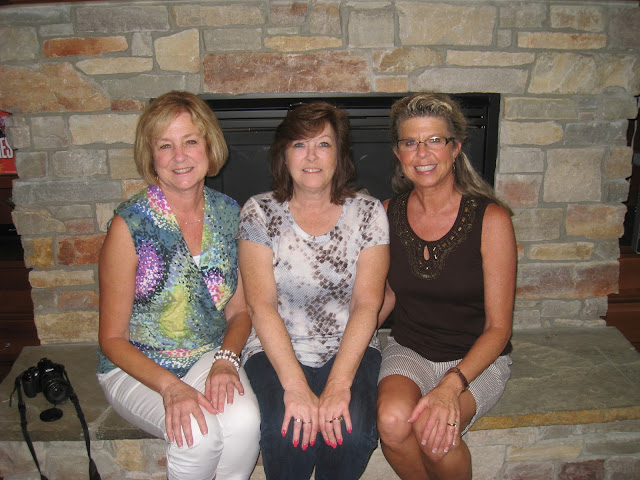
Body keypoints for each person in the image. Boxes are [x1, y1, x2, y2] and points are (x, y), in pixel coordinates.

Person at [96, 91, 260, 480]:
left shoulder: (229, 213)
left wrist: (226, 359)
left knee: (245, 424)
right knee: (197, 436)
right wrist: (171, 388)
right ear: (151, 156)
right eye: (165, 145)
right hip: (138, 366)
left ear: (209, 147)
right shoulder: (129, 225)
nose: (179, 156)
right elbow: (112, 339)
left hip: (207, 353)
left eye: (190, 141)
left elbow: (239, 311)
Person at [237, 102, 390, 480]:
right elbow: (261, 305)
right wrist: (295, 386)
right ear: (283, 154)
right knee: (289, 431)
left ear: (339, 154)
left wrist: (339, 384)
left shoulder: (368, 212)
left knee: (350, 433)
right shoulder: (259, 212)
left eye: (323, 144)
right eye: (299, 145)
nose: (311, 156)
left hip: (349, 346)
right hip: (275, 347)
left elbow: (367, 303)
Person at [376, 92, 516, 480]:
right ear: (398, 153)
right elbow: (385, 295)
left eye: (434, 140)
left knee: (433, 433)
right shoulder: (387, 213)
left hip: (477, 357)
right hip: (411, 348)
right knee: (391, 422)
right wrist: (344, 347)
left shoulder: (492, 220)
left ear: (455, 148)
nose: (422, 153)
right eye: (410, 142)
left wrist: (452, 385)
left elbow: (499, 328)